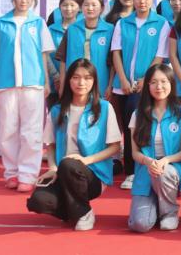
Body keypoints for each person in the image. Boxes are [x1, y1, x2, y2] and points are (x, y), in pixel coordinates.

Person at [27, 59, 120, 230]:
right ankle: (76, 209)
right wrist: (53, 168)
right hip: (64, 172)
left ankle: (83, 212)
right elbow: (51, 145)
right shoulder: (57, 110)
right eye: (76, 77)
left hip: (93, 174)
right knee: (37, 202)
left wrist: (86, 160)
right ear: (68, 80)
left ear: (94, 81)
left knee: (69, 164)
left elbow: (115, 147)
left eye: (87, 78)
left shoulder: (104, 108)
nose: (81, 83)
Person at [0, 0, 54, 191]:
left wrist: (46, 81)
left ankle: (28, 175)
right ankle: (11, 173)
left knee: (31, 131)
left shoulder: (39, 23)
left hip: (33, 83)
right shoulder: (0, 24)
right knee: (8, 129)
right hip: (6, 83)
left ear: (33, 0)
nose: (24, 1)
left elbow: (43, 55)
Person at [111, 0, 171, 188]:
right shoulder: (122, 23)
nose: (141, 1)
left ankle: (137, 170)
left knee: (139, 126)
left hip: (147, 85)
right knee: (126, 126)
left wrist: (145, 80)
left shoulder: (161, 23)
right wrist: (123, 79)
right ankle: (129, 169)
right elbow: (116, 52)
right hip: (123, 86)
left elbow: (160, 56)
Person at [127, 63, 181, 232]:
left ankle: (169, 213)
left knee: (163, 172)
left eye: (164, 81)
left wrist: (165, 160)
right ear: (147, 85)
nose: (159, 87)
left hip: (172, 170)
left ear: (171, 84)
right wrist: (148, 161)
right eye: (154, 82)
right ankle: (156, 202)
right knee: (140, 224)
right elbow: (135, 153)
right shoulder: (137, 115)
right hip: (146, 170)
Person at [56, 0, 113, 98]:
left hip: (100, 84)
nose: (90, 8)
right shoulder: (72, 29)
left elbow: (113, 62)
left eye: (94, 5)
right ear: (81, 8)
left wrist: (110, 85)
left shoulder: (110, 30)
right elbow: (63, 60)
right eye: (86, 5)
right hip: (75, 84)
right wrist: (62, 85)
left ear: (102, 8)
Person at [47, 0, 82, 105]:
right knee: (56, 113)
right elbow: (46, 55)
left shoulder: (83, 29)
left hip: (79, 83)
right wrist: (56, 77)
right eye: (65, 5)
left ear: (79, 8)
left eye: (72, 5)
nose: (68, 8)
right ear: (59, 7)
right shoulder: (50, 29)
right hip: (54, 82)